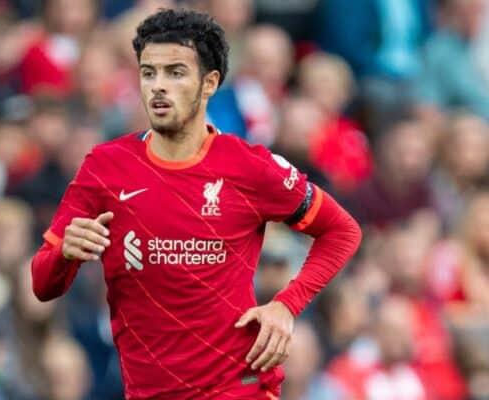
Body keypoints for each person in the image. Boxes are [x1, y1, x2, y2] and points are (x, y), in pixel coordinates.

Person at [31, 8, 361, 399]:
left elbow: (341, 231)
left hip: (238, 389)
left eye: (175, 72)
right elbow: (42, 284)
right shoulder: (106, 167)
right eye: (148, 72)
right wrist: (65, 254)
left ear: (209, 83)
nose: (158, 86)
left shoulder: (248, 166)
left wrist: (286, 305)